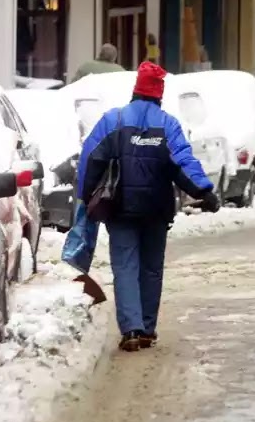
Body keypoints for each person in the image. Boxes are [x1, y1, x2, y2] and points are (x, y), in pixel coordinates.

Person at [78, 61, 221, 352]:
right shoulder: (167, 124)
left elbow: (90, 158)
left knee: (126, 266)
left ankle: (131, 330)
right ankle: (147, 328)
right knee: (151, 269)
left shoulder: (113, 120)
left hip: (120, 209)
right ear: (159, 94)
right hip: (157, 210)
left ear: (136, 90)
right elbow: (183, 162)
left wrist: (84, 195)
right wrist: (204, 191)